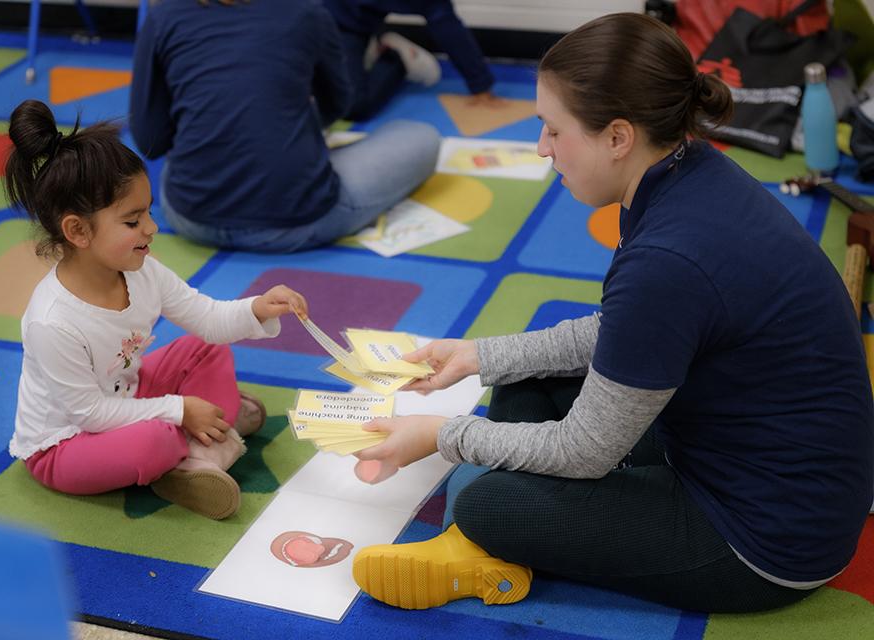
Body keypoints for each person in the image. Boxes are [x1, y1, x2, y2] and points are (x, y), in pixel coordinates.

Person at [349, 13, 874, 613]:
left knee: (485, 504)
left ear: (618, 137)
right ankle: (492, 533)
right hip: (752, 457)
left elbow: (584, 450)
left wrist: (443, 436)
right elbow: (632, 332)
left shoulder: (668, 257)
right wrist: (479, 356)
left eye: (553, 130)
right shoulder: (688, 171)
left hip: (764, 541)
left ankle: (476, 545)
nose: (542, 147)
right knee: (524, 376)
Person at [3, 99, 309, 520]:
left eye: (148, 212)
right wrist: (180, 409)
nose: (151, 228)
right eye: (132, 222)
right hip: (68, 442)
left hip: (125, 394)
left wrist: (257, 308)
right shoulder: (52, 322)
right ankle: (208, 440)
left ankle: (200, 450)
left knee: (205, 350)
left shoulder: (143, 270)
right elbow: (89, 413)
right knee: (153, 442)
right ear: (77, 231)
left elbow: (207, 318)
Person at [129, 0, 441, 253]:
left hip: (191, 215)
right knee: (422, 136)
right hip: (298, 221)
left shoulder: (164, 15)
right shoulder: (305, 12)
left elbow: (151, 140)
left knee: (195, 147)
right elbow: (337, 103)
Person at [323, 0, 500, 120]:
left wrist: (480, 85)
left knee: (352, 106)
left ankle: (396, 57)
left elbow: (446, 24)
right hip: (306, 19)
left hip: (344, 27)